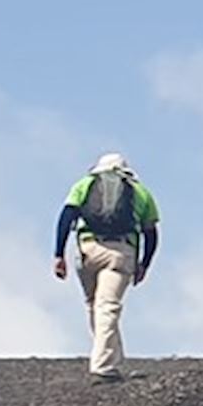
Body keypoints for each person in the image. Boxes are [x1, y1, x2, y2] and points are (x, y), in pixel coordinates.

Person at [53, 152, 159, 380]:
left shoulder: (86, 183)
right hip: (121, 252)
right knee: (108, 306)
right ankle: (104, 366)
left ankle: (111, 358)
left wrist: (58, 254)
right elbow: (151, 232)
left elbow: (66, 216)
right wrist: (144, 264)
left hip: (88, 249)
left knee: (94, 304)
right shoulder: (141, 192)